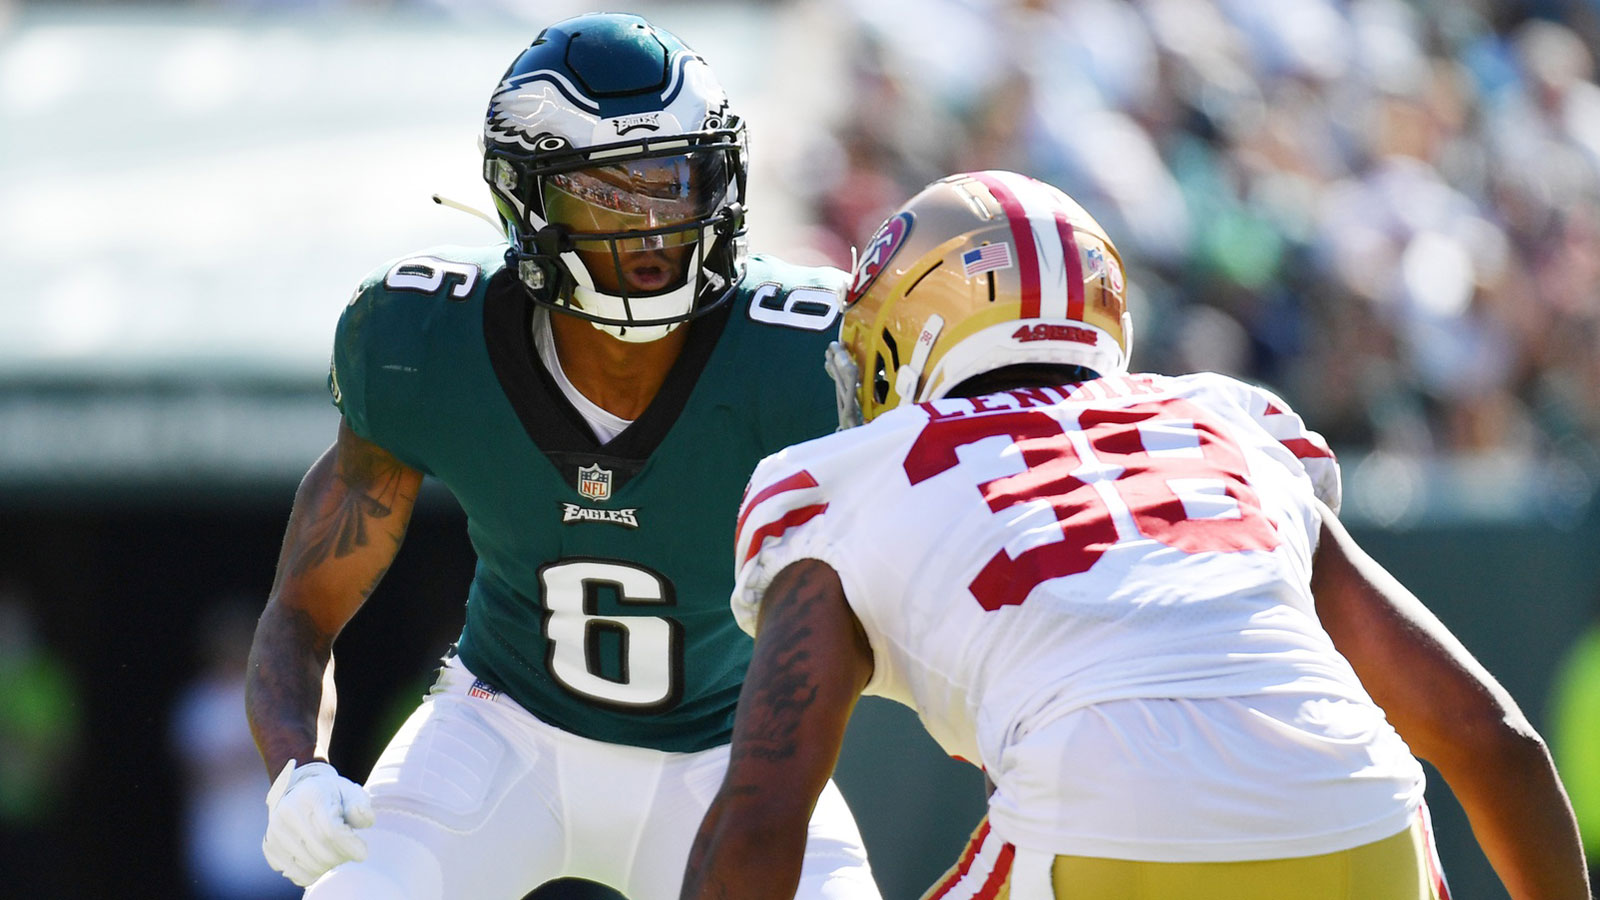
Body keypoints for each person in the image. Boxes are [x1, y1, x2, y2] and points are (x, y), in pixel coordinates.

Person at [680, 170, 1590, 900]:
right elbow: (1489, 733)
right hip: (1360, 812)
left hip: (1097, 825)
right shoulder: (1225, 425)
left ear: (902, 334)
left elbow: (762, 817)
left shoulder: (846, 477)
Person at [244, 13, 877, 900]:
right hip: (502, 729)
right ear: (527, 200)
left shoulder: (809, 352)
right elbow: (301, 612)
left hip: (732, 757)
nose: (655, 228)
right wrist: (296, 770)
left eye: (679, 181)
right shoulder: (421, 339)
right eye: (612, 194)